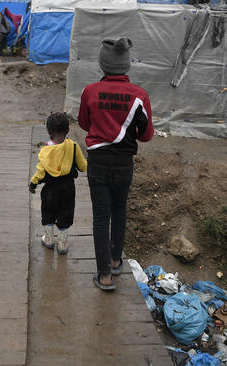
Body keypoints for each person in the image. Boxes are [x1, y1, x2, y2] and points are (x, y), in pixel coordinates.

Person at [78, 38, 153, 291]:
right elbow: (146, 135)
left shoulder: (90, 91)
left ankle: (105, 276)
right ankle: (115, 260)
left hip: (98, 161)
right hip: (124, 163)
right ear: (126, 65)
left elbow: (84, 124)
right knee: (119, 210)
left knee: (101, 216)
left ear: (103, 65)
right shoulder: (140, 96)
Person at [29, 112, 87, 254]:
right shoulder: (73, 146)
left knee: (48, 213)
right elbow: (83, 166)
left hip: (50, 190)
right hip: (68, 188)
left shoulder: (45, 150)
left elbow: (40, 171)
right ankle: (62, 244)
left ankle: (48, 240)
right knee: (65, 214)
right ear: (67, 130)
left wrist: (33, 183)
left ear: (49, 132)